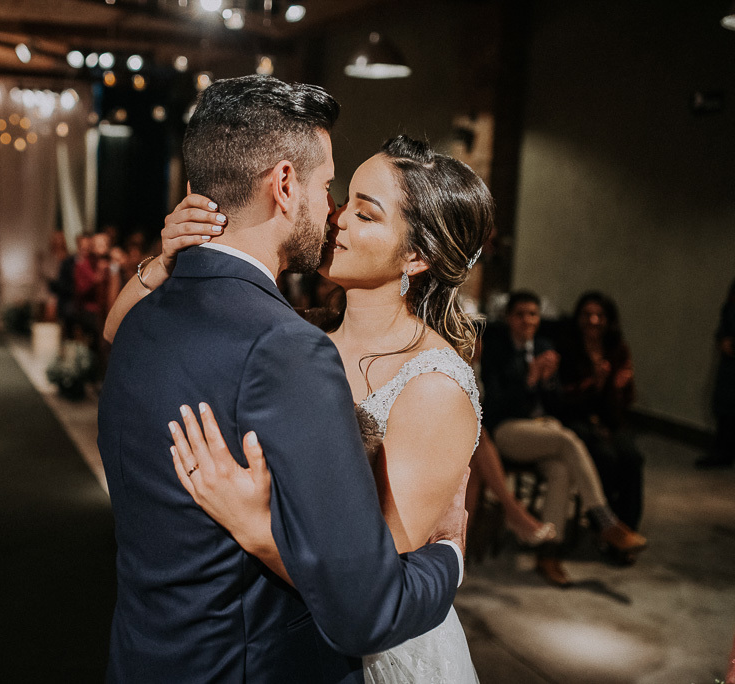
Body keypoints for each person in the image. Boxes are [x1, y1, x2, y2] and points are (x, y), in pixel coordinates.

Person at [98, 75, 467, 683]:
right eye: (329, 188)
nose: (334, 213)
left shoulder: (143, 322)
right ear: (286, 184)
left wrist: (262, 528)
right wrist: (449, 558)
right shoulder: (289, 348)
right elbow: (366, 607)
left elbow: (114, 333)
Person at [481, 291, 647, 586]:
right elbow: (493, 405)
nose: (526, 320)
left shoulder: (545, 346)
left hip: (544, 429)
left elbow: (555, 403)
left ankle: (548, 553)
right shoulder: (497, 348)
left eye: (532, 314)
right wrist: (529, 380)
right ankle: (606, 520)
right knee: (568, 440)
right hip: (508, 431)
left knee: (561, 470)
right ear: (509, 318)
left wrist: (548, 381)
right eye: (519, 314)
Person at [558, 292, 644, 531]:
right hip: (577, 416)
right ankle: (604, 525)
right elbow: (562, 398)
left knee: (631, 456)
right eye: (587, 315)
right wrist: (593, 383)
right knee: (605, 456)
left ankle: (627, 526)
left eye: (599, 315)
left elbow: (625, 400)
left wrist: (614, 388)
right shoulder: (568, 348)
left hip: (610, 417)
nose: (593, 320)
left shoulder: (617, 349)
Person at [698, 278, 735, 468]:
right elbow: (725, 320)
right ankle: (722, 452)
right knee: (724, 406)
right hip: (729, 364)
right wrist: (723, 339)